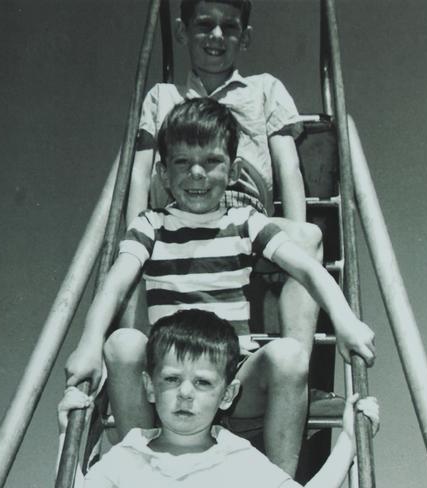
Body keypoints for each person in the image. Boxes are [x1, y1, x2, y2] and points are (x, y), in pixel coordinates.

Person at [65, 98, 375, 475]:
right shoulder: (150, 225)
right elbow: (113, 288)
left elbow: (308, 270)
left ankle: (279, 481)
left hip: (233, 381)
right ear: (163, 173)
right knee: (121, 343)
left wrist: (345, 321)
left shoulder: (244, 221)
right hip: (172, 381)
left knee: (290, 356)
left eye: (211, 161)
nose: (197, 173)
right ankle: (143, 471)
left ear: (233, 172)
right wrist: (88, 343)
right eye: (182, 162)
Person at [123, 0, 325, 371]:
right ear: (183, 31)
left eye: (229, 27)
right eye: (205, 24)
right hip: (174, 215)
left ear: (244, 38)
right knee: (128, 264)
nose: (216, 36)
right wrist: (133, 238)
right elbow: (139, 172)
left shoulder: (265, 89)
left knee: (308, 239)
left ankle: (295, 369)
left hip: (242, 219)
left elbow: (288, 165)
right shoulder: (162, 96)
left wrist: (290, 237)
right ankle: (135, 369)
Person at [58, 309, 380, 488]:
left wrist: (349, 441)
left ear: (227, 395)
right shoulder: (129, 453)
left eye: (202, 383)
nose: (185, 393)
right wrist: (65, 438)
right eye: (171, 379)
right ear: (150, 387)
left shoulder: (236, 457)